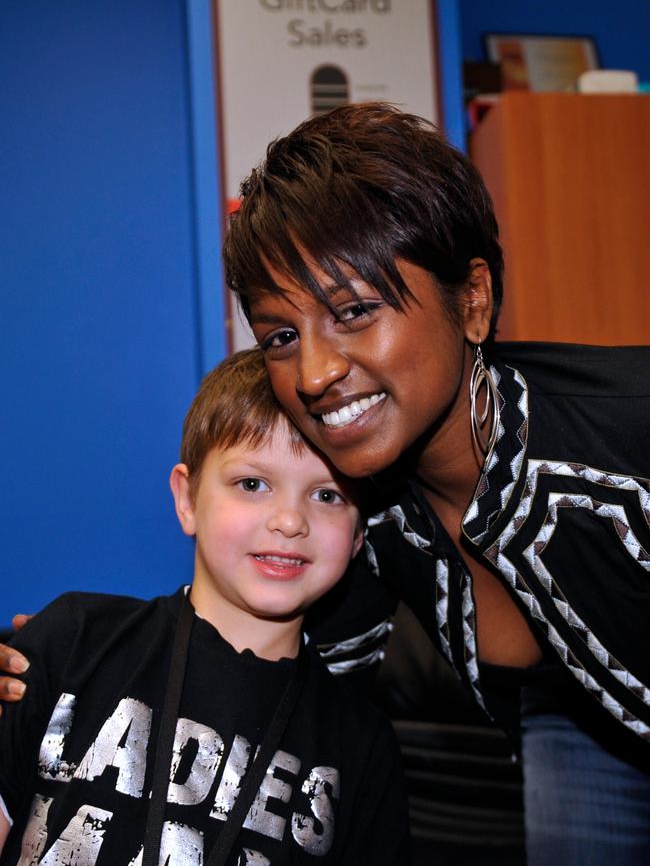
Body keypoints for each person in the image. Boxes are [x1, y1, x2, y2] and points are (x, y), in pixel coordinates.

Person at [218, 103, 650, 864]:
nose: (314, 373)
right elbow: (281, 678)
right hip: (571, 722)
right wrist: (71, 671)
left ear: (472, 300)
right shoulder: (362, 507)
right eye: (281, 335)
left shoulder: (623, 440)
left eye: (354, 310)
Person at [0, 348, 410, 865]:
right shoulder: (74, 640)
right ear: (188, 498)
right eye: (252, 484)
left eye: (327, 496)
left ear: (357, 537)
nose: (289, 520)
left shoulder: (361, 745)